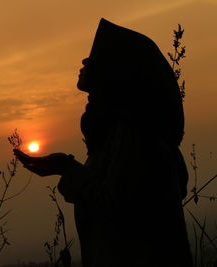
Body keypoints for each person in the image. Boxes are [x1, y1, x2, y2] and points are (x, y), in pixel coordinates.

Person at [14, 18, 193, 267]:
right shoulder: (119, 135)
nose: (84, 62)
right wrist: (66, 167)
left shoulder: (139, 140)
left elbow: (115, 207)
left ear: (118, 73)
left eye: (93, 57)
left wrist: (66, 169)